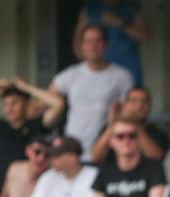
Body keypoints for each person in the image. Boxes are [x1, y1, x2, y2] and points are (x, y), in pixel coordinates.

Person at [76, 116, 166, 197]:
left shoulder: (154, 168)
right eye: (120, 136)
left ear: (139, 139)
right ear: (111, 141)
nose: (126, 140)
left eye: (132, 135)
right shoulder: (105, 171)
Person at [49, 24, 134, 162]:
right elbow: (44, 101)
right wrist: (25, 87)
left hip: (107, 150)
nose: (93, 46)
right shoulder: (70, 75)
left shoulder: (122, 76)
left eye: (98, 41)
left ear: (106, 44)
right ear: (81, 46)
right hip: (72, 150)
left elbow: (130, 112)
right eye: (88, 41)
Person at [0, 79, 60, 192]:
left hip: (29, 194)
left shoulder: (36, 126)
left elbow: (58, 104)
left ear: (26, 104)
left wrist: (27, 88)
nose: (9, 109)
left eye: (14, 103)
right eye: (6, 104)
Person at [73, 0, 149, 86]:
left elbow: (144, 36)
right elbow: (78, 37)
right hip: (100, 67)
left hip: (128, 65)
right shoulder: (91, 8)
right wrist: (86, 65)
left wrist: (119, 22)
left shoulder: (130, 5)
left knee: (132, 92)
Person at [90, 86, 169, 164]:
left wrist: (135, 126)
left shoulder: (158, 133)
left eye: (144, 102)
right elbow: (96, 157)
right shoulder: (111, 128)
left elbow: (157, 158)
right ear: (125, 105)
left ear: (149, 106)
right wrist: (113, 124)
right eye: (134, 101)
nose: (139, 106)